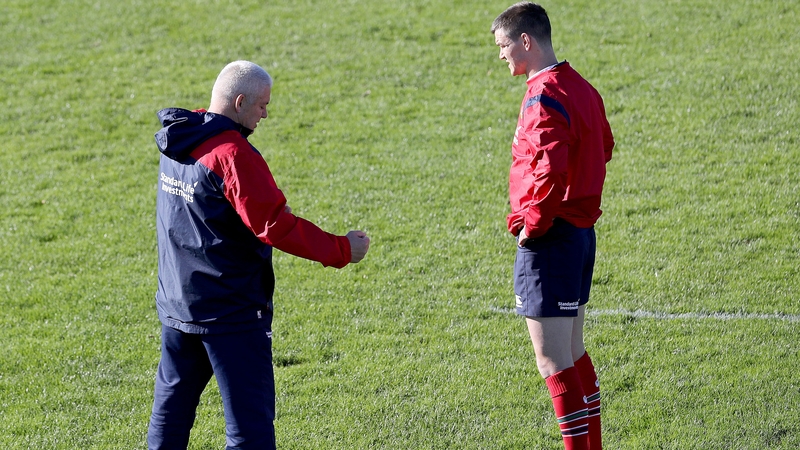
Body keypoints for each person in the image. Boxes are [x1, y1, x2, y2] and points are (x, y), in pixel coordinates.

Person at [146, 60, 370, 450]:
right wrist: (343, 248)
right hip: (230, 314)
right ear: (239, 102)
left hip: (178, 305)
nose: (265, 114)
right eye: (262, 105)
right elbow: (276, 226)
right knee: (249, 430)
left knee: (170, 414)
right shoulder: (232, 154)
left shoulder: (179, 138)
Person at [491, 3, 614, 449]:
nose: (500, 55)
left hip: (551, 239)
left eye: (504, 45)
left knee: (553, 363)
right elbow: (604, 145)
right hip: (579, 235)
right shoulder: (580, 85)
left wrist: (532, 227)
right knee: (573, 354)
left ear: (526, 41)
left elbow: (548, 172)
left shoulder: (543, 96)